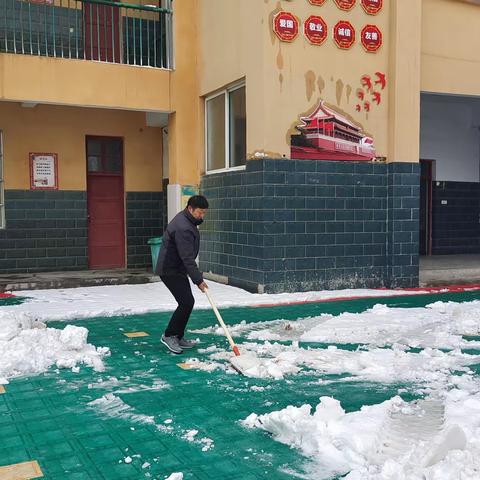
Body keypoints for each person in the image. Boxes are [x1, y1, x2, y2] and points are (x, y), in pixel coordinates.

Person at [155, 195, 209, 354]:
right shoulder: (183, 227)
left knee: (187, 302)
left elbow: (186, 257)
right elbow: (187, 257)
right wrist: (198, 280)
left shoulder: (187, 220)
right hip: (169, 270)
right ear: (190, 209)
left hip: (177, 268)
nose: (202, 216)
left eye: (204, 213)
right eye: (200, 213)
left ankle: (177, 335)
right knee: (186, 302)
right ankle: (169, 335)